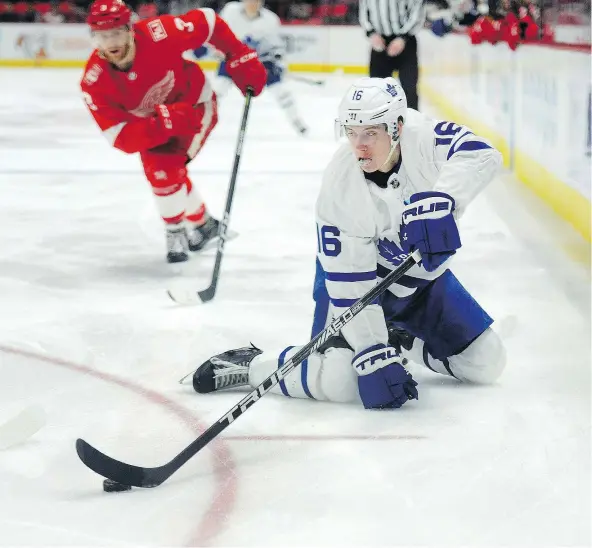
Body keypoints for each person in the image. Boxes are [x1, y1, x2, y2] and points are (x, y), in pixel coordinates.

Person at [191, 77, 507, 410]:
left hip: (422, 287)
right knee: (341, 382)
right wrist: (371, 351)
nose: (359, 145)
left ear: (397, 126)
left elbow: (482, 154)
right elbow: (349, 283)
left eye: (370, 133)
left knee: (486, 362)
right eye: (351, 132)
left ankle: (401, 338)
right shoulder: (340, 188)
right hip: (360, 287)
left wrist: (443, 198)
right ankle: (252, 366)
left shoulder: (424, 139)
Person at [80, 0, 267, 263]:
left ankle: (176, 231)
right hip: (153, 124)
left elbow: (208, 21)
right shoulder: (94, 81)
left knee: (163, 168)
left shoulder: (159, 33)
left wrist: (237, 54)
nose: (111, 42)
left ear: (130, 29)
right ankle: (203, 225)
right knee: (165, 170)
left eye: (117, 32)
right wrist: (165, 122)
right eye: (103, 35)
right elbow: (120, 137)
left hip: (195, 107)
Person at [208, 0, 308, 135]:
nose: (252, 3)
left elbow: (276, 48)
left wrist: (276, 61)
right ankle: (203, 122)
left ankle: (297, 122)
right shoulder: (230, 10)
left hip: (260, 64)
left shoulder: (270, 20)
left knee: (282, 93)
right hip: (233, 60)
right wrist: (218, 47)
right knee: (217, 91)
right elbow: (217, 31)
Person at [359, 0, 425, 110]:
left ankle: (413, 122)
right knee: (377, 89)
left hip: (406, 43)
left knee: (409, 88)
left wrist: (403, 38)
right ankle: (379, 122)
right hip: (379, 41)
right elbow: (364, 14)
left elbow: (417, 13)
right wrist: (372, 34)